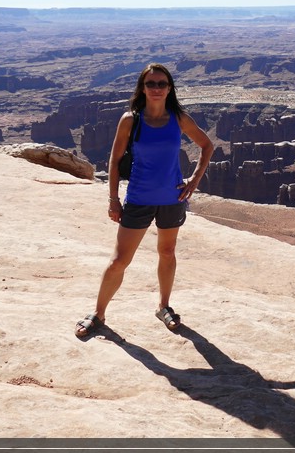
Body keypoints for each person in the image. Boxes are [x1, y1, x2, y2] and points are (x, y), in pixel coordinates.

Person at [75, 63, 214, 337]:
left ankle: (164, 306)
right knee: (119, 261)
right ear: (142, 88)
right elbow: (114, 162)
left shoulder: (179, 118)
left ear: (170, 88)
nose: (157, 89)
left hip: (172, 199)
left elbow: (207, 145)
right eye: (151, 84)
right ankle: (98, 313)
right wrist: (113, 199)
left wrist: (195, 180)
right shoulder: (131, 119)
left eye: (162, 84)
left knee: (167, 252)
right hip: (139, 198)